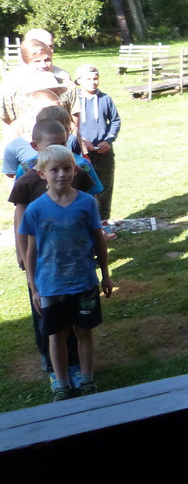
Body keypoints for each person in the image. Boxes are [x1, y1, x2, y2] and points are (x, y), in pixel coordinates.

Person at [9, 119, 97, 394]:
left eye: (63, 144)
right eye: (51, 146)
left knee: (79, 324)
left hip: (77, 267)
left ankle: (79, 369)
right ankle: (54, 369)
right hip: (46, 270)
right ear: (36, 147)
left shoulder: (77, 171)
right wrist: (21, 253)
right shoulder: (27, 180)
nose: (61, 171)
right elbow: (21, 219)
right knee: (49, 324)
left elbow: (91, 208)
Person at [21, 144, 112, 401]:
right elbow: (31, 251)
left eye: (67, 169)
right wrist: (34, 288)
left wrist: (106, 274)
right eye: (54, 170)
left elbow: (99, 239)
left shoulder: (87, 203)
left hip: (84, 282)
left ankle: (87, 379)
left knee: (84, 332)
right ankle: (61, 383)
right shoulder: (35, 209)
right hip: (51, 286)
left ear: (75, 170)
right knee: (56, 335)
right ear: (42, 174)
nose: (61, 174)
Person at [75, 65, 121, 221]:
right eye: (88, 79)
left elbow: (115, 121)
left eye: (95, 78)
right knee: (82, 187)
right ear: (79, 80)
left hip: (103, 152)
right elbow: (69, 123)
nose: (93, 82)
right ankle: (85, 222)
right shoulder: (74, 100)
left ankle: (103, 222)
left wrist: (108, 140)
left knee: (104, 188)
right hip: (81, 153)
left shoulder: (105, 99)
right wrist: (82, 141)